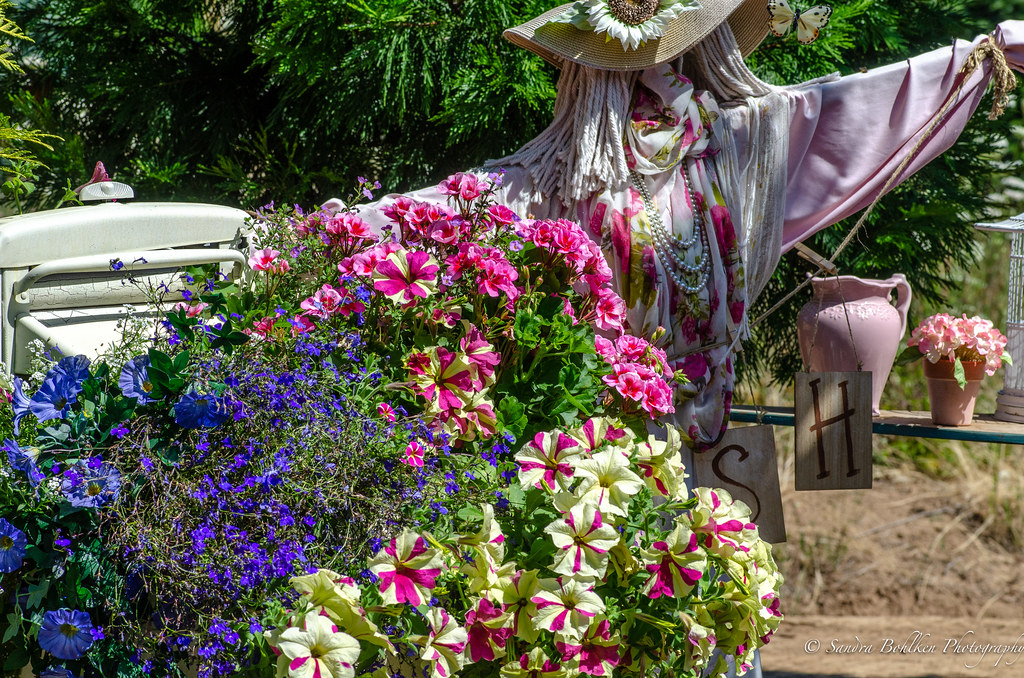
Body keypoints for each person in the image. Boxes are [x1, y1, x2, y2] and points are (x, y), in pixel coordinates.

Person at [347, 5, 1022, 671]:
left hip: (712, 441)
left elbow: (849, 109)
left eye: (675, 62)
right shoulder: (559, 176)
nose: (666, 83)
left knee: (707, 626)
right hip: (600, 466)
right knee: (622, 629)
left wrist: (974, 58)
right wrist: (324, 233)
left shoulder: (737, 146)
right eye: (643, 71)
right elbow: (444, 208)